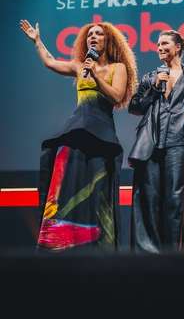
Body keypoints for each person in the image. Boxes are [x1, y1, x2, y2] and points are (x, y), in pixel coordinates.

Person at [19, 19, 137, 251]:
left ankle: (97, 245)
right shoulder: (79, 65)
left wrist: (96, 76)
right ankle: (60, 241)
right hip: (75, 130)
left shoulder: (117, 68)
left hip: (101, 134)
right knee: (63, 183)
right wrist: (37, 41)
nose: (93, 37)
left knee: (96, 189)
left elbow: (116, 96)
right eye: (90, 34)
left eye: (99, 34)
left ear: (108, 40)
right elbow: (50, 62)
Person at [128, 29, 184, 253]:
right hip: (151, 143)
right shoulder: (151, 77)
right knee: (149, 200)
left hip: (181, 143)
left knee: (176, 200)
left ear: (178, 46)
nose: (159, 47)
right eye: (157, 44)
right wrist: (152, 88)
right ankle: (149, 256)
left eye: (164, 43)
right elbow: (134, 106)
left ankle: (174, 255)